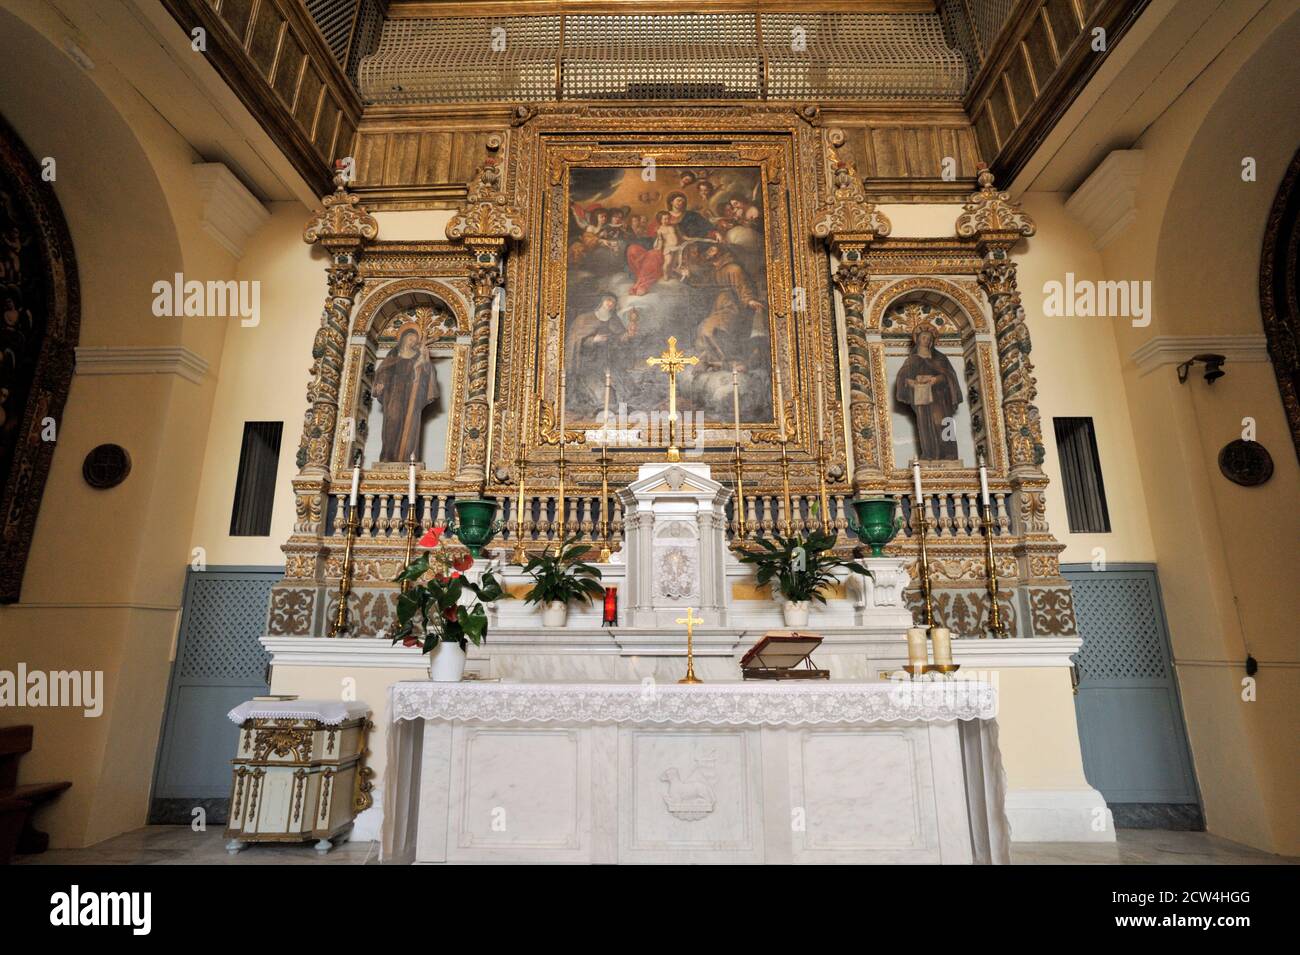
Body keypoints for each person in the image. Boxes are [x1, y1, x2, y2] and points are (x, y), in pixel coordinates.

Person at [894, 323, 962, 460]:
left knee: (942, 423)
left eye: (928, 338)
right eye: (923, 337)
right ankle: (929, 454)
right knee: (925, 426)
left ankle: (948, 455)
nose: (926, 340)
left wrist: (935, 379)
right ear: (918, 339)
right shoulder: (911, 360)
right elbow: (902, 378)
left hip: (939, 398)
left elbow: (950, 376)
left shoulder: (940, 358)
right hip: (922, 398)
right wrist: (910, 382)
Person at [373, 326, 439, 461]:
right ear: (402, 339)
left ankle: (407, 457)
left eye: (415, 340)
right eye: (410, 339)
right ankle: (388, 455)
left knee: (411, 425)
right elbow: (383, 371)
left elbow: (426, 374)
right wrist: (380, 383)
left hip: (411, 395)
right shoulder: (393, 354)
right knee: (392, 420)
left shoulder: (417, 356)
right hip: (394, 394)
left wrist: (424, 361)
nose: (412, 342)